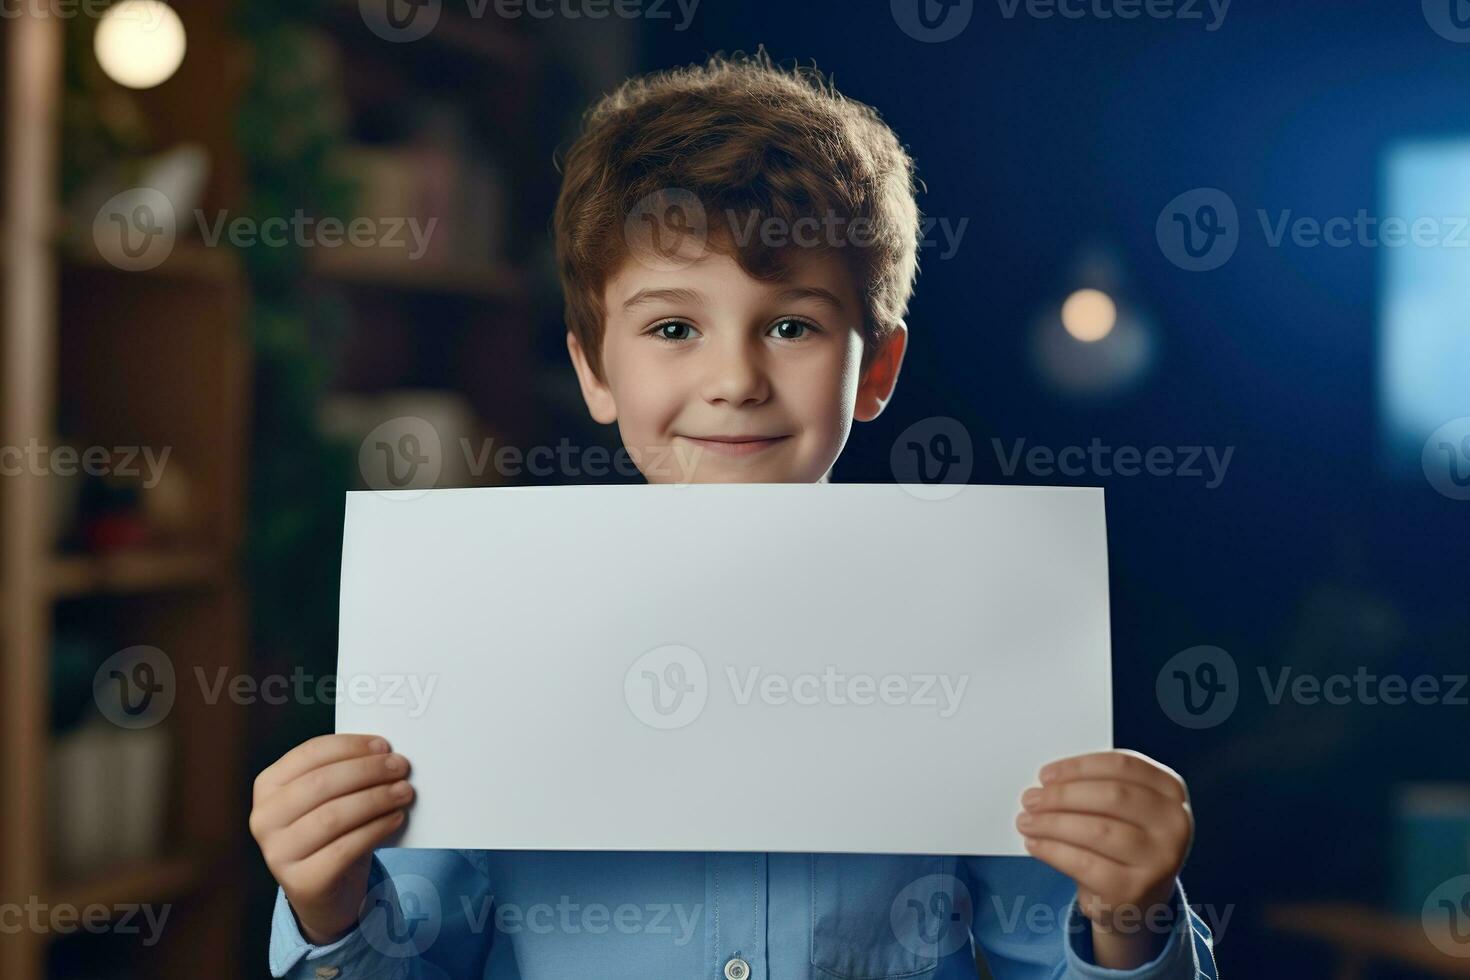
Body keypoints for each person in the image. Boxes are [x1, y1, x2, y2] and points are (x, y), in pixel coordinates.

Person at [252, 49, 1219, 979]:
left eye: (791, 326)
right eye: (674, 328)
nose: (734, 381)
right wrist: (328, 906)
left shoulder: (971, 632)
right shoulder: (493, 632)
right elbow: (416, 961)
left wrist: (1126, 917)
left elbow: (1052, 954)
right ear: (594, 367)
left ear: (874, 368)